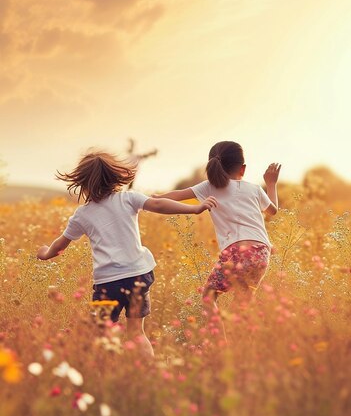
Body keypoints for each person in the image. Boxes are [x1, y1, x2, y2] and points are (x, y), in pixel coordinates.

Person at [36, 150, 217, 358]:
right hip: (138, 276)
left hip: (108, 284)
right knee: (136, 331)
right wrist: (194, 209)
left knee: (102, 332)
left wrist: (45, 253)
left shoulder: (82, 215)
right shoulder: (128, 198)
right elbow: (158, 204)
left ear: (83, 183)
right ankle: (147, 372)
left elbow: (61, 244)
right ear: (115, 176)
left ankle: (108, 371)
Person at [153, 141, 281, 314]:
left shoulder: (209, 187)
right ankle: (240, 338)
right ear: (242, 169)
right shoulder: (255, 189)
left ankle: (222, 339)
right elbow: (273, 210)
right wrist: (271, 183)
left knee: (208, 298)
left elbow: (177, 195)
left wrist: (155, 198)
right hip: (261, 253)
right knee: (242, 305)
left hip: (236, 251)